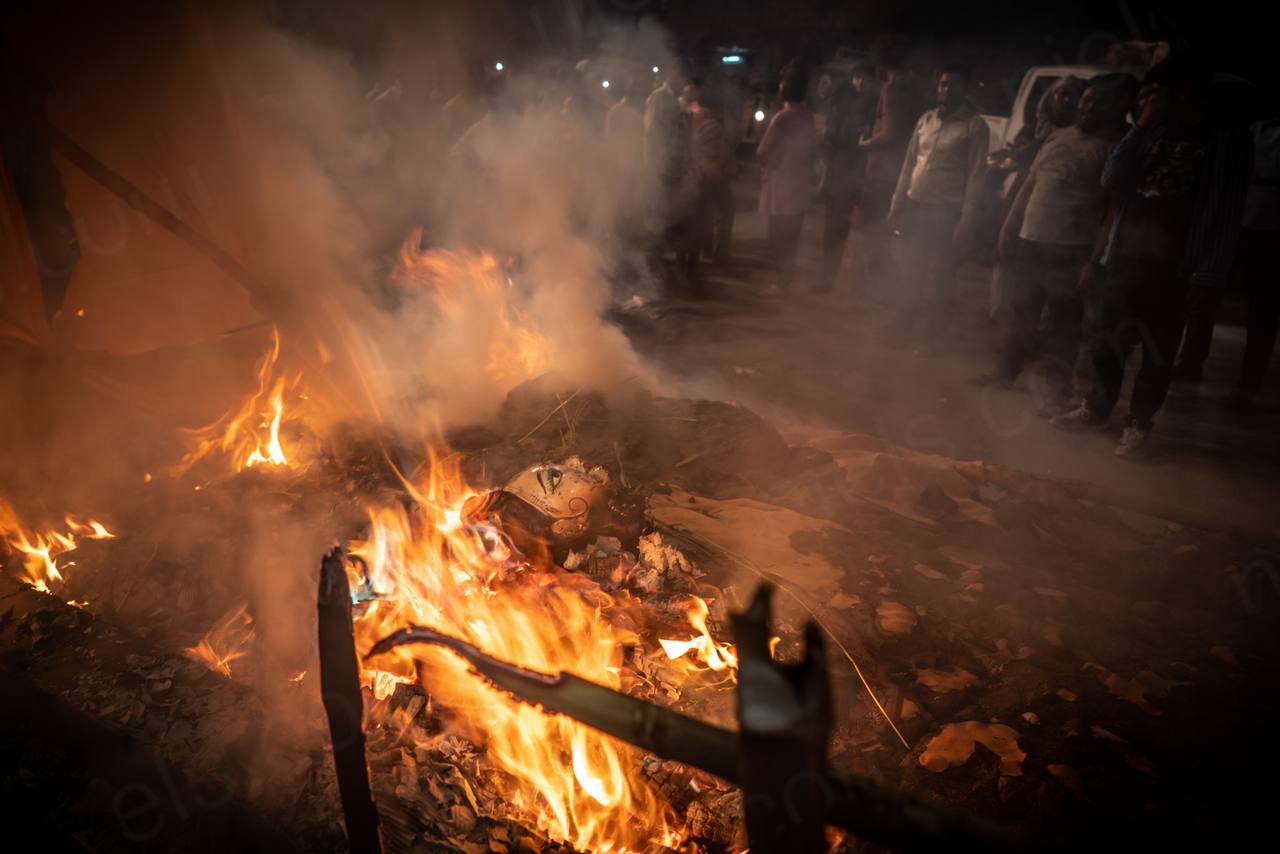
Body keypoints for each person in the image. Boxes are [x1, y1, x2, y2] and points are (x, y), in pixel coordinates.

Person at [1052, 56, 1253, 459]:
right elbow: (1111, 177)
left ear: (1184, 92)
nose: (1147, 99)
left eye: (1156, 92)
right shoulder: (1153, 128)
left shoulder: (1226, 138)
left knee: (1157, 351)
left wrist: (1208, 275)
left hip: (1178, 265)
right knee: (1106, 338)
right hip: (1126, 255)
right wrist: (1143, 125)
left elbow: (1226, 210)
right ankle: (1097, 407)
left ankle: (1139, 424)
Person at [976, 74, 1136, 412]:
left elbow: (1112, 211)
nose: (1087, 107)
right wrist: (1009, 227)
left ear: (1113, 108)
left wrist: (1094, 260)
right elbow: (1029, 185)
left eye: (1097, 103)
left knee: (1063, 324)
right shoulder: (1057, 137)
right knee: (1021, 311)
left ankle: (1055, 392)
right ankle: (1005, 372)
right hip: (1030, 238)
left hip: (1072, 248)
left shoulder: (1111, 149)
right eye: (1086, 100)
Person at [1172, 115, 1279, 400]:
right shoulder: (1255, 130)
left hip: (1271, 229)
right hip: (1238, 220)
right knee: (1205, 292)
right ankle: (1191, 360)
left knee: (1263, 310)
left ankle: (1248, 384)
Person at [887, 63, 989, 337]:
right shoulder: (926, 120)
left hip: (946, 213)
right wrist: (897, 204)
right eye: (943, 84)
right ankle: (903, 327)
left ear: (965, 88)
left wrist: (967, 220)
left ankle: (931, 337)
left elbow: (976, 177)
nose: (947, 89)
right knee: (911, 270)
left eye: (954, 84)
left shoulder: (975, 126)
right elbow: (908, 165)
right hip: (916, 206)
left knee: (941, 277)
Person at [855, 48, 923, 294]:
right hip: (902, 170)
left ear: (882, 63)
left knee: (872, 230)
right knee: (891, 230)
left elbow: (890, 133)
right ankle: (892, 288)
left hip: (882, 171)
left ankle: (878, 288)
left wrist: (866, 143)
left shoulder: (892, 88)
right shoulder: (915, 86)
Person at [818, 61, 879, 294]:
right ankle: (828, 278)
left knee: (867, 232)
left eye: (865, 77)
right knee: (834, 229)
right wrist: (825, 175)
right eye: (857, 77)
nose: (861, 82)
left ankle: (865, 286)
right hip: (841, 173)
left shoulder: (877, 107)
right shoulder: (843, 105)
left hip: (866, 175)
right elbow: (829, 142)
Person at [757, 65, 817, 295]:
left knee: (777, 235)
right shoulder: (807, 115)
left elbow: (762, 152)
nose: (780, 85)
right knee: (792, 235)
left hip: (781, 182)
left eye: (783, 82)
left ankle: (780, 283)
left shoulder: (782, 118)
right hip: (800, 181)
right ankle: (786, 281)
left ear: (787, 88)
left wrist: (768, 161)